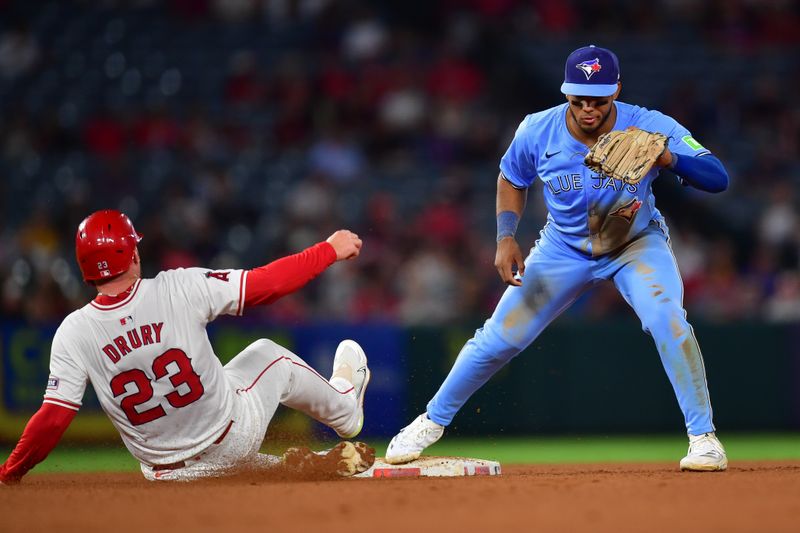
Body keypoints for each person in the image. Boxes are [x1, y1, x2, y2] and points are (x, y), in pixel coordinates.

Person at [386, 45, 730, 471]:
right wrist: (505, 237)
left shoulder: (649, 126)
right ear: (565, 92)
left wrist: (669, 157)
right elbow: (511, 177)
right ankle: (430, 421)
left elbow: (718, 178)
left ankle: (704, 438)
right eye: (578, 98)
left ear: (617, 90)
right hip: (563, 248)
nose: (587, 109)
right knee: (500, 338)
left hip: (635, 244)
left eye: (599, 100)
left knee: (666, 319)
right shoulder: (537, 130)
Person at [0, 210, 372, 483]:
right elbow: (266, 285)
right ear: (132, 254)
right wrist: (328, 250)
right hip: (231, 437)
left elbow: (52, 419)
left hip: (167, 474)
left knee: (223, 384)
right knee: (266, 354)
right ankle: (345, 410)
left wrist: (9, 472)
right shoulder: (178, 287)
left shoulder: (73, 332)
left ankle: (299, 467)